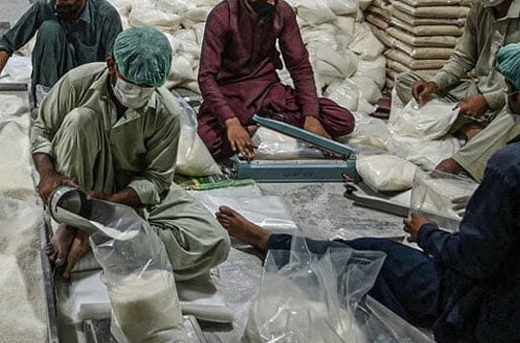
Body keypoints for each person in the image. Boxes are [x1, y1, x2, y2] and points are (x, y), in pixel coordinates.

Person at [217, 42, 520, 342]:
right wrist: (488, 201)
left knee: (377, 254)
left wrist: (426, 232)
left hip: (483, 306)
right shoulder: (508, 172)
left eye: (507, 90)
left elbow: (473, 260)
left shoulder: (508, 167)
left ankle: (269, 241)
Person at [31, 26, 230, 280]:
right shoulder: (77, 83)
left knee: (213, 242)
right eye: (131, 84)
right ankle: (73, 220)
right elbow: (42, 129)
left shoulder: (166, 111)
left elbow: (157, 179)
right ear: (112, 65)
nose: (137, 93)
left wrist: (113, 203)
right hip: (78, 180)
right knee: (80, 120)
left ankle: (95, 235)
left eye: (147, 87)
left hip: (126, 189)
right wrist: (47, 174)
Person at [197, 0, 355, 161]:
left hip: (269, 92)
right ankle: (264, 124)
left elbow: (299, 65)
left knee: (343, 120)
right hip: (231, 94)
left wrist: (311, 116)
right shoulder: (222, 15)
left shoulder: (283, 13)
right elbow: (206, 77)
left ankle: (262, 123)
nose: (271, 2)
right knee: (207, 143)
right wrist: (230, 122)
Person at [392, 0, 520, 181]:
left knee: (516, 119)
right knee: (407, 81)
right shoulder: (480, 8)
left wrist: (488, 100)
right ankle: (471, 129)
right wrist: (435, 84)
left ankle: (463, 160)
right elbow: (463, 57)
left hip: (510, 101)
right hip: (476, 91)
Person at [0, 0, 123, 111]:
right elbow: (7, 44)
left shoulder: (106, 15)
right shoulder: (45, 7)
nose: (58, 4)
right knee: (49, 29)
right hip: (55, 80)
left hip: (89, 84)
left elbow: (115, 64)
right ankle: (46, 103)